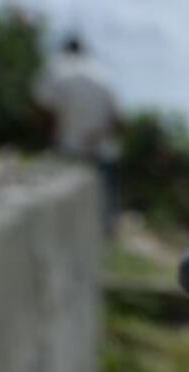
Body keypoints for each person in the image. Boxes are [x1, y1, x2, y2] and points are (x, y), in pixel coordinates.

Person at [33, 34, 121, 234]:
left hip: (67, 152)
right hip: (100, 154)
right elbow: (118, 121)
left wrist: (47, 139)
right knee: (103, 222)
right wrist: (96, 136)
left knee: (61, 222)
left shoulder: (57, 68)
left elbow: (44, 109)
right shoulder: (104, 74)